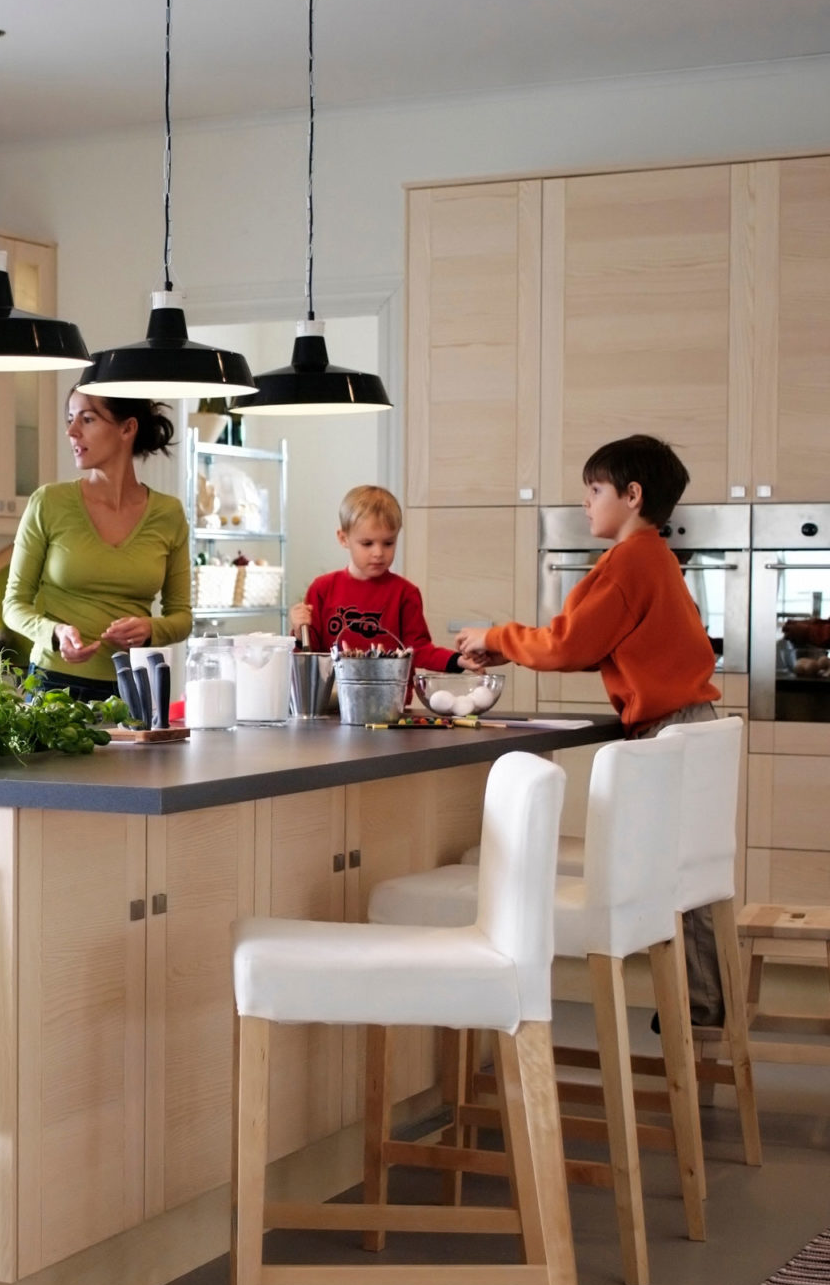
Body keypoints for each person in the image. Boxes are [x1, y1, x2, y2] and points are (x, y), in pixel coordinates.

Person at [455, 433, 724, 1025]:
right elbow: (593, 643)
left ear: (632, 495)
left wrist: (495, 635)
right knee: (685, 871)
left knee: (669, 869)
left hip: (666, 732)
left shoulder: (627, 561)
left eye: (595, 489)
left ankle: (700, 1008)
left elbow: (568, 643)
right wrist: (512, 650)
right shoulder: (656, 558)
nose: (585, 502)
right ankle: (701, 1001)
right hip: (691, 725)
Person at [1, 390, 192, 701]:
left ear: (127, 428)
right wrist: (54, 633)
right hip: (53, 685)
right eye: (70, 419)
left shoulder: (168, 513)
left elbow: (182, 617)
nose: (71, 431)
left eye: (87, 419)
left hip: (133, 688)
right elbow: (13, 605)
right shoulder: (48, 502)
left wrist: (150, 629)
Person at [289, 485, 460, 672]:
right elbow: (308, 654)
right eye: (367, 543)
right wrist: (299, 632)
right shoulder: (322, 589)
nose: (378, 552)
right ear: (343, 538)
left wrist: (458, 661)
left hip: (390, 690)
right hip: (335, 690)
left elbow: (418, 650)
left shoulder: (405, 593)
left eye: (388, 543)